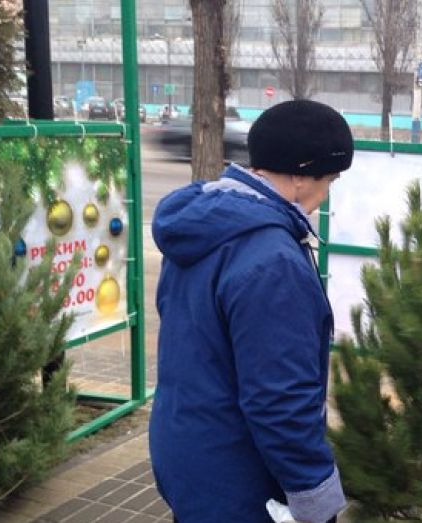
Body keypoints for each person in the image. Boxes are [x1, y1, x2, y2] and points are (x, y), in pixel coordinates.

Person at [150, 100, 351, 523]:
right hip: (238, 477)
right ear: (300, 173)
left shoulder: (204, 226)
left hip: (186, 451)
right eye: (330, 178)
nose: (327, 192)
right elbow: (280, 400)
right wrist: (317, 500)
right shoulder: (272, 260)